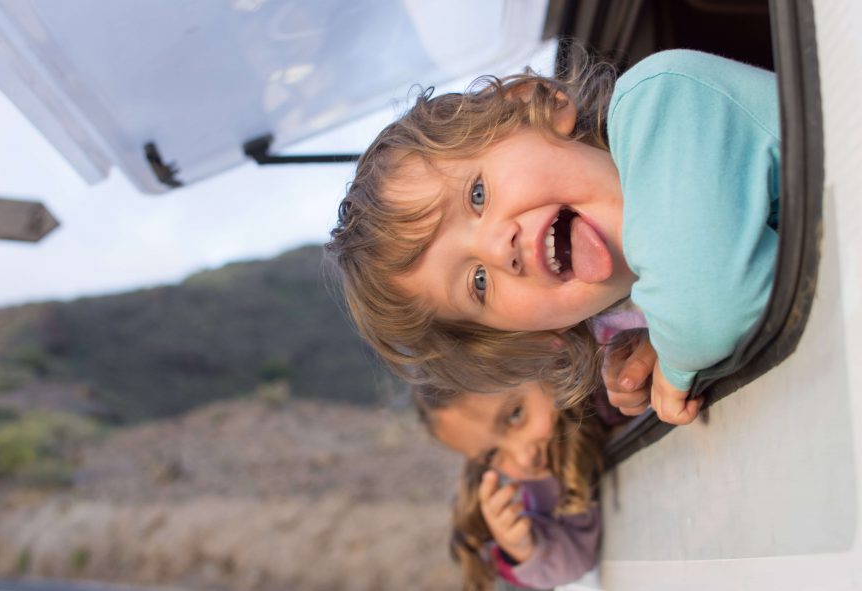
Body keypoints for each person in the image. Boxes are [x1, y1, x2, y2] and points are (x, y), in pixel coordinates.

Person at [327, 48, 780, 425]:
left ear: (535, 105)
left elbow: (710, 300)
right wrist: (665, 333)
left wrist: (675, 357)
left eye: (478, 195)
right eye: (478, 282)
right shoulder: (669, 289)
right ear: (539, 333)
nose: (498, 249)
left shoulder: (660, 101)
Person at [414, 378, 608, 590]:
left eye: (515, 415)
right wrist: (525, 548)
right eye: (492, 454)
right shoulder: (544, 487)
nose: (523, 459)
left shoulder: (604, 384)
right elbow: (580, 557)